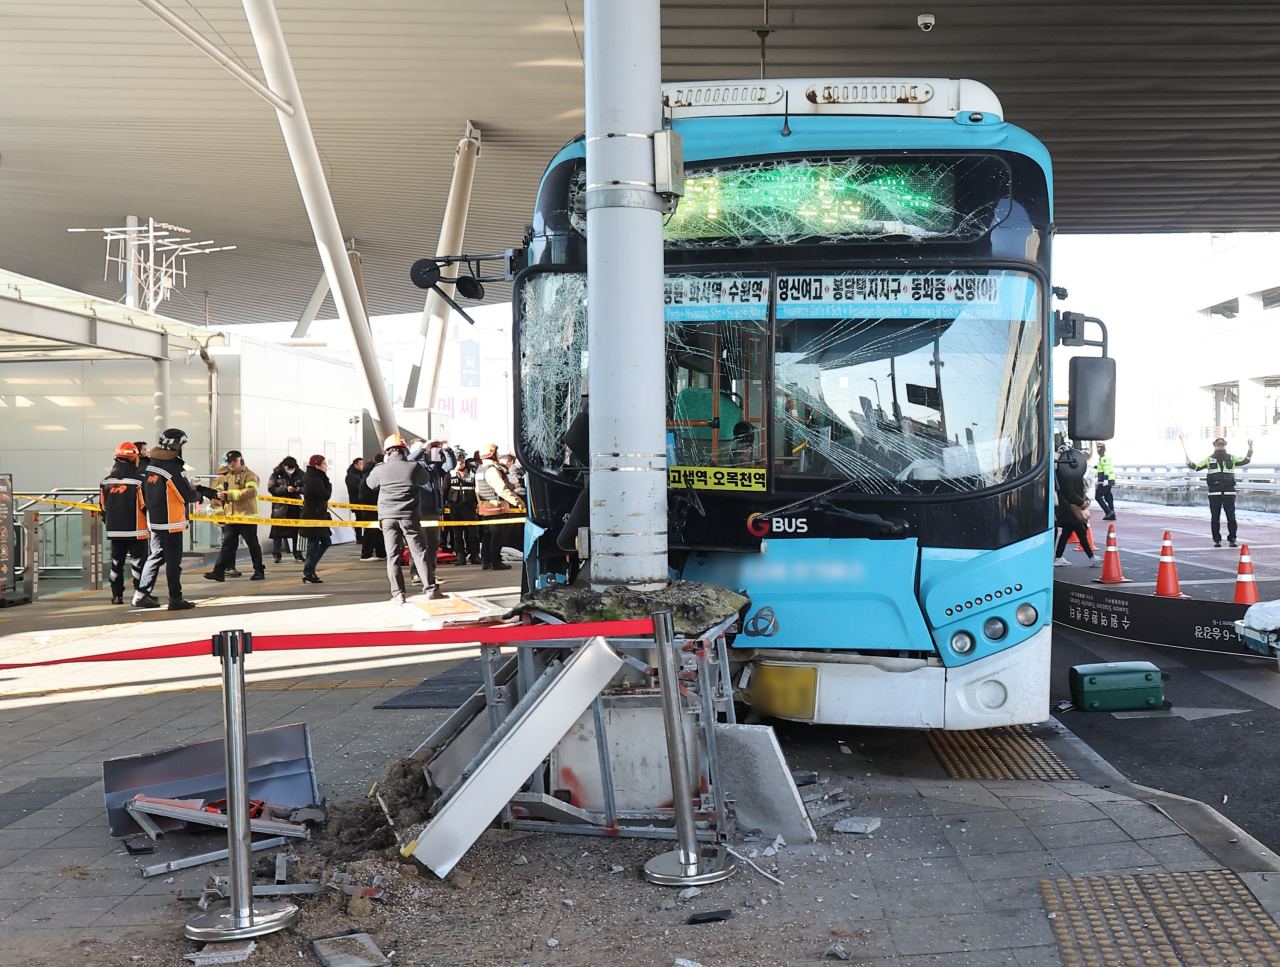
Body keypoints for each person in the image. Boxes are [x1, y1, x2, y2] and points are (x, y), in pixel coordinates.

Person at [135, 428, 216, 609]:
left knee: (155, 556)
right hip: (171, 522)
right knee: (173, 562)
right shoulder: (173, 467)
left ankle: (141, 594)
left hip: (155, 520)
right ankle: (175, 598)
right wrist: (201, 495)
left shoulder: (151, 466)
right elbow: (185, 493)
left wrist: (198, 488)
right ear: (177, 446)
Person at [366, 433, 442, 603]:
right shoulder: (413, 467)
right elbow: (425, 479)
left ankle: (398, 594)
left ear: (387, 452)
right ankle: (430, 589)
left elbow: (370, 484)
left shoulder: (379, 469)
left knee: (392, 556)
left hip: (388, 518)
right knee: (419, 553)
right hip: (409, 516)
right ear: (405, 451)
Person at [99, 441, 148, 605]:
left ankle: (116, 596)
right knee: (138, 563)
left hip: (114, 530)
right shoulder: (139, 481)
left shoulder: (105, 482)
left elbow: (103, 508)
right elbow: (145, 506)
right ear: (134, 459)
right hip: (137, 529)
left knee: (116, 563)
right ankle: (139, 594)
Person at [204, 450, 264, 582]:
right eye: (229, 461)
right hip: (231, 517)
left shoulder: (249, 475)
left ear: (241, 461)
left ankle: (259, 571)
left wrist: (229, 495)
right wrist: (218, 495)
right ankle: (218, 572)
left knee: (252, 545)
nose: (231, 464)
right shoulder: (227, 477)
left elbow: (251, 492)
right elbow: (218, 491)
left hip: (246, 517)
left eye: (234, 461)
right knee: (227, 545)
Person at [1189, 436, 1253, 547]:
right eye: (1218, 445)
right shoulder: (1208, 459)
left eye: (1222, 444)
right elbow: (1197, 467)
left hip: (1229, 492)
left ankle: (1232, 539)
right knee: (1215, 517)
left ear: (1225, 445)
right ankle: (1217, 540)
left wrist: (1250, 449)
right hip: (1214, 492)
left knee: (1231, 517)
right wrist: (1190, 464)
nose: (1220, 446)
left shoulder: (1232, 458)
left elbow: (1245, 460)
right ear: (1214, 446)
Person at [408, 439, 455, 581]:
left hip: (434, 510)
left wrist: (447, 450)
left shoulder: (433, 467)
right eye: (420, 448)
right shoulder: (409, 465)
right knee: (417, 544)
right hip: (418, 510)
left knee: (434, 543)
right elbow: (410, 459)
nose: (425, 450)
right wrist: (422, 449)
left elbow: (450, 465)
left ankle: (430, 573)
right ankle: (416, 573)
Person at [476, 443, 526, 571]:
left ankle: (486, 561)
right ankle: (495, 562)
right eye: (497, 453)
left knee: (487, 536)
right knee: (497, 537)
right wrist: (518, 501)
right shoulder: (492, 470)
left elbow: (477, 490)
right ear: (493, 455)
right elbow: (502, 489)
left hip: (485, 510)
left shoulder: (480, 469)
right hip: (496, 510)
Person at [1053, 442, 1099, 567]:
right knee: (1081, 532)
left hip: (1070, 508)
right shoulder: (1066, 474)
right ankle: (1092, 557)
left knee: (1068, 533)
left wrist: (1085, 500)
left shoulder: (1066, 472)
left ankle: (1058, 557)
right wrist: (1082, 502)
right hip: (1070, 508)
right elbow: (1069, 492)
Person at [300, 455, 332, 583]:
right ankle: (308, 571)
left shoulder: (314, 478)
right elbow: (325, 495)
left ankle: (310, 569)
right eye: (324, 464)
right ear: (317, 466)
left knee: (325, 542)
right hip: (313, 516)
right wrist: (328, 484)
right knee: (313, 545)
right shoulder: (315, 480)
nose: (326, 467)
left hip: (318, 515)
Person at [268, 457, 305, 563]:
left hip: (296, 507)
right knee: (277, 532)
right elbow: (271, 488)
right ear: (284, 466)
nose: (291, 470)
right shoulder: (276, 474)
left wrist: (298, 489)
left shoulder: (300, 474)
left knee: (296, 532)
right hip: (280, 507)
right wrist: (285, 490)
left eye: (292, 468)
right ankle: (276, 554)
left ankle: (298, 554)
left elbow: (306, 487)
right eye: (289, 468)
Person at [447, 452, 480, 565]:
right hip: (455, 508)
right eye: (457, 460)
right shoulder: (450, 473)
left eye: (461, 460)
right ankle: (460, 556)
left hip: (469, 507)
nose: (459, 462)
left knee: (472, 533)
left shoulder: (472, 473)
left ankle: (475, 556)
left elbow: (477, 489)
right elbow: (444, 490)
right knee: (457, 535)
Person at [357, 452, 386, 560]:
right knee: (371, 530)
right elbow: (371, 489)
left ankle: (381, 553)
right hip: (371, 504)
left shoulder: (367, 472)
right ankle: (366, 554)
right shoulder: (373, 473)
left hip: (369, 504)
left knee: (377, 530)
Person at [1094, 443, 1115, 521]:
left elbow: (1106, 469)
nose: (1097, 449)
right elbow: (1102, 467)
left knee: (1098, 496)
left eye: (1099, 447)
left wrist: (1105, 479)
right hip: (1110, 479)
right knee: (1108, 496)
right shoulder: (1104, 457)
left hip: (1105, 480)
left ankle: (1108, 511)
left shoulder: (1104, 457)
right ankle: (1112, 513)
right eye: (1097, 447)